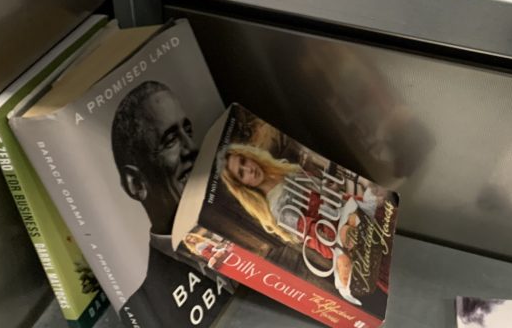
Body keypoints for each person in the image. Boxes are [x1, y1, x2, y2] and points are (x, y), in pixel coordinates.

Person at [111, 81, 222, 326]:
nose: (192, 148)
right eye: (170, 141)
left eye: (188, 132)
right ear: (136, 184)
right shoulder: (148, 308)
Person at [219, 144, 380, 305]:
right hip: (360, 246)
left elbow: (332, 197)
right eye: (241, 173)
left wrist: (332, 192)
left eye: (243, 161)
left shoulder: (285, 170)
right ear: (243, 185)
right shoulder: (279, 210)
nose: (249, 169)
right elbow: (324, 243)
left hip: (365, 215)